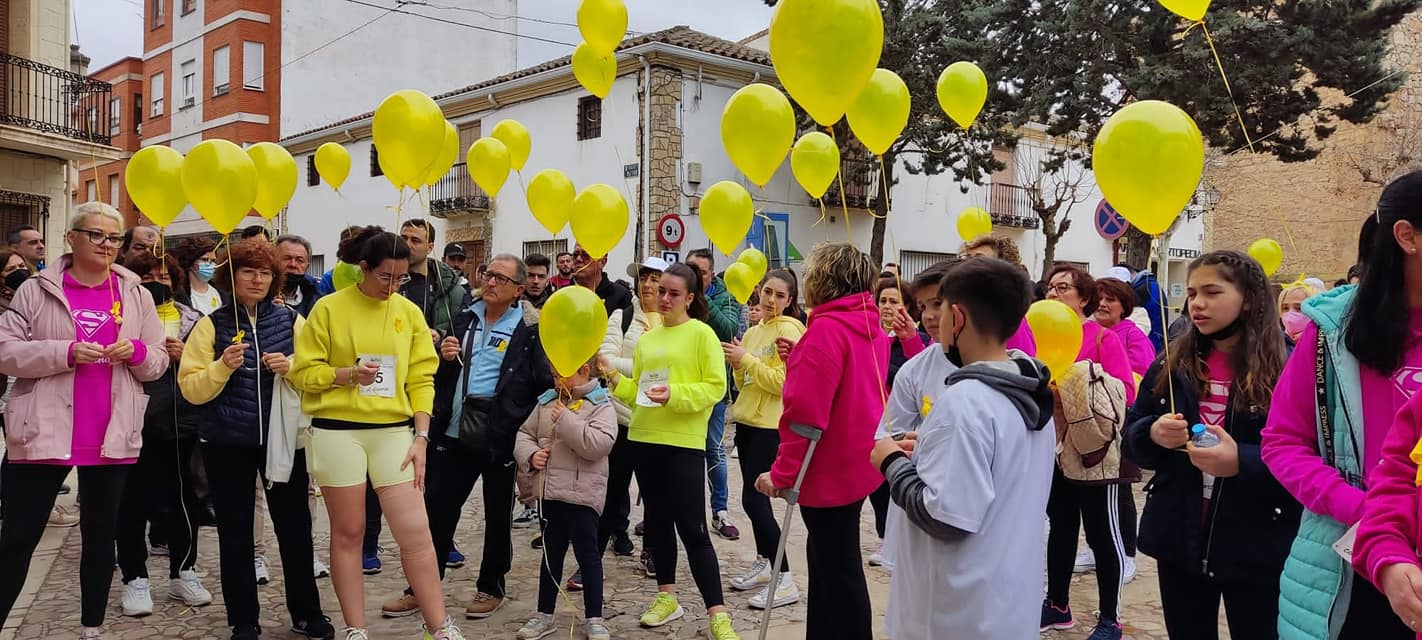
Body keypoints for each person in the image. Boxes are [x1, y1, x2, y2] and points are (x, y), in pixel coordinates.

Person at [1262, 172, 1422, 640]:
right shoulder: (1333, 331)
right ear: (1407, 237)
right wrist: (1368, 515)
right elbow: (1283, 442)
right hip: (1346, 567)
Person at [0, 202, 167, 638]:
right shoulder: (36, 290)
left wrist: (140, 352)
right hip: (43, 430)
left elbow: (158, 363)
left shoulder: (135, 292)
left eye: (113, 237)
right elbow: (5, 351)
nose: (107, 245)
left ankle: (91, 627)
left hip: (111, 431)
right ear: (70, 237)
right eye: (96, 235)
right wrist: (65, 352)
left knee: (100, 539)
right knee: (17, 540)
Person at [289, 226, 463, 640]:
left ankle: (439, 626)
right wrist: (346, 375)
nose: (393, 286)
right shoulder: (329, 309)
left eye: (401, 278)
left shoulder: (408, 313)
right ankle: (356, 628)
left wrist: (421, 436)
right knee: (349, 532)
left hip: (393, 430)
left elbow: (423, 376)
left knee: (415, 531)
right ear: (363, 268)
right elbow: (302, 373)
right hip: (337, 430)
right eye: (386, 277)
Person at [870, 256, 1055, 639]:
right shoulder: (1031, 391)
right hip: (1007, 599)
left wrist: (890, 460)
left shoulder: (966, 402)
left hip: (957, 610)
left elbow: (946, 517)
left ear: (957, 317)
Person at [1124, 250, 1300, 639]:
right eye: (1191, 292)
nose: (1197, 303)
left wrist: (1243, 461)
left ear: (1250, 298)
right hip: (1180, 541)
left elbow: (1308, 459)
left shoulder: (1288, 367)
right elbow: (1132, 433)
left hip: (1257, 546)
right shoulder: (1173, 362)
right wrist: (1152, 433)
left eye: (1212, 292)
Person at [380, 253, 550, 621]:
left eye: (501, 279)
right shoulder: (465, 317)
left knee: (496, 517)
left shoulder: (530, 329)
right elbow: (443, 372)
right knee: (437, 512)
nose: (491, 282)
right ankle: (421, 587)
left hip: (500, 435)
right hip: (454, 431)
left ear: (519, 290)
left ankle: (491, 586)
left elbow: (540, 383)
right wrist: (443, 354)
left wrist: (528, 430)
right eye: (489, 274)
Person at [177, 240, 333, 640]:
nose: (258, 279)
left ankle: (307, 613)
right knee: (235, 532)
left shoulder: (292, 322)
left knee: (295, 528)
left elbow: (317, 370)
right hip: (226, 442)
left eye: (265, 272)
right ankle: (243, 620)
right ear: (231, 276)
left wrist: (292, 365)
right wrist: (221, 368)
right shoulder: (210, 325)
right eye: (248, 271)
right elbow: (192, 389)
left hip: (283, 440)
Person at [599, 262, 739, 638]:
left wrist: (675, 394)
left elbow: (714, 388)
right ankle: (667, 597)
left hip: (684, 445)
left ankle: (718, 614)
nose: (663, 298)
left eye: (673, 293)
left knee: (693, 529)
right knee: (657, 524)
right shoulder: (648, 339)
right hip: (644, 439)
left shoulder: (702, 335)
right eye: (661, 290)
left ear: (690, 298)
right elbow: (640, 394)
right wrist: (614, 377)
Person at [756, 242, 886, 640]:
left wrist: (781, 475)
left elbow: (803, 418)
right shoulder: (869, 324)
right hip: (858, 463)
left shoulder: (824, 332)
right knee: (836, 565)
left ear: (824, 281)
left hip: (827, 472)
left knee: (836, 571)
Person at [360, 220, 469, 575]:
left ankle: (441, 540)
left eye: (416, 239)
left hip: (432, 385)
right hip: (382, 386)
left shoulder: (451, 287)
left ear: (431, 246)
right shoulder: (383, 282)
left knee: (434, 474)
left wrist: (444, 342)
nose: (409, 244)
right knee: (378, 471)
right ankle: (369, 543)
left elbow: (462, 328)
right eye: (404, 238)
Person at [1041, 264, 1137, 640]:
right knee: (1060, 530)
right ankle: (1057, 604)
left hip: (1096, 455)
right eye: (1050, 287)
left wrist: (1076, 386)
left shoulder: (1101, 339)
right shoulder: (1037, 337)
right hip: (1055, 451)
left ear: (1084, 299)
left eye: (1063, 287)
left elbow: (1125, 394)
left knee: (1103, 534)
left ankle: (1110, 618)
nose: (1053, 293)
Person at [114, 251, 211, 618]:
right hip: (131, 421)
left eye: (164, 275)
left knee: (185, 500)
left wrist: (186, 355)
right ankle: (134, 577)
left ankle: (183, 571)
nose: (157, 281)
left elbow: (209, 368)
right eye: (147, 275)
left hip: (181, 423)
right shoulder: (120, 318)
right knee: (132, 502)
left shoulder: (193, 319)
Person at [512, 354, 618, 640]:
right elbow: (524, 434)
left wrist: (567, 419)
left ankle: (594, 617)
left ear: (584, 370)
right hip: (551, 493)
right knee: (551, 555)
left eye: (563, 374)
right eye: (554, 374)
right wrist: (531, 455)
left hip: (583, 495)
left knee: (588, 557)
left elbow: (598, 445)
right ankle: (544, 614)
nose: (557, 380)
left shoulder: (601, 404)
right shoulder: (546, 401)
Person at [725, 269, 806, 609]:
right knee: (749, 499)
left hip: (769, 426)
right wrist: (739, 364)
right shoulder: (756, 329)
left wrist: (747, 361)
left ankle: (784, 577)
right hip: (747, 421)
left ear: (790, 301)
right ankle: (766, 562)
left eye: (780, 296)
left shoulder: (789, 330)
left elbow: (783, 382)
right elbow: (745, 383)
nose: (771, 300)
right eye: (768, 292)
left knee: (756, 500)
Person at [596, 256, 667, 576]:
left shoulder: (675, 322)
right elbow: (605, 359)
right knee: (612, 490)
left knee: (655, 493)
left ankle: (652, 550)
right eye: (644, 278)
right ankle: (594, 555)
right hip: (622, 416)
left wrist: (628, 370)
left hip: (658, 421)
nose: (649, 285)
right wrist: (646, 370)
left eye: (656, 279)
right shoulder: (622, 317)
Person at [685, 248, 742, 541]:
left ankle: (719, 509)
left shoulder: (726, 298)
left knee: (712, 447)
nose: (694, 276)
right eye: (690, 269)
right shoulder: (679, 294)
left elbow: (731, 329)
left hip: (713, 389)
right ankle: (674, 511)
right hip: (682, 387)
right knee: (680, 452)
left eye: (701, 272)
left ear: (711, 274)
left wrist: (702, 299)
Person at [1095, 277, 1156, 378]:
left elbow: (1141, 373)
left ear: (1124, 307)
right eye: (1099, 299)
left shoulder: (1134, 336)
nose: (1102, 304)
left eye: (1110, 300)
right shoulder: (1084, 331)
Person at [572, 244, 634, 333]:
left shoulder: (621, 296)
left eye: (585, 255)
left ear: (602, 262)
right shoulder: (562, 295)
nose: (578, 259)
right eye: (575, 255)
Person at [274, 235, 321, 317]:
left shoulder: (317, 300)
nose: (293, 264)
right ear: (273, 261)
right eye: (287, 258)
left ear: (307, 266)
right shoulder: (258, 298)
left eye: (300, 260)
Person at [177, 237, 224, 317]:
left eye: (213, 261)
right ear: (190, 262)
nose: (210, 265)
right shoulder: (179, 295)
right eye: (205, 260)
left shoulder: (222, 292)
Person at [521, 252, 556, 317]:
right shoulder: (512, 304)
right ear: (523, 278)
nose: (536, 281)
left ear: (547, 281)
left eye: (541, 276)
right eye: (530, 275)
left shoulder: (555, 305)